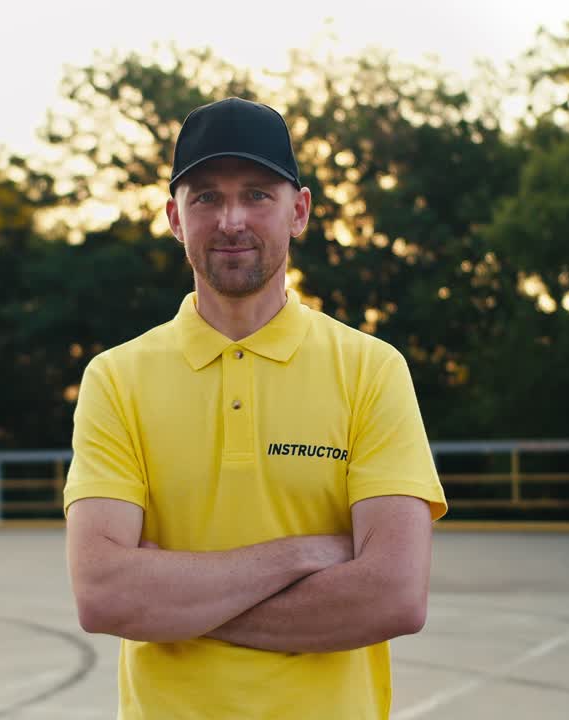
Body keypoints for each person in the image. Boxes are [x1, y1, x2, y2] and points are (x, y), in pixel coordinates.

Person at [64, 97, 448, 720]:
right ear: (174, 217)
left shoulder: (371, 370)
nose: (232, 219)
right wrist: (297, 557)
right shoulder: (116, 379)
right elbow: (105, 596)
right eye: (206, 197)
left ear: (298, 211)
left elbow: (394, 597)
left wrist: (177, 601)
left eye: (257, 194)